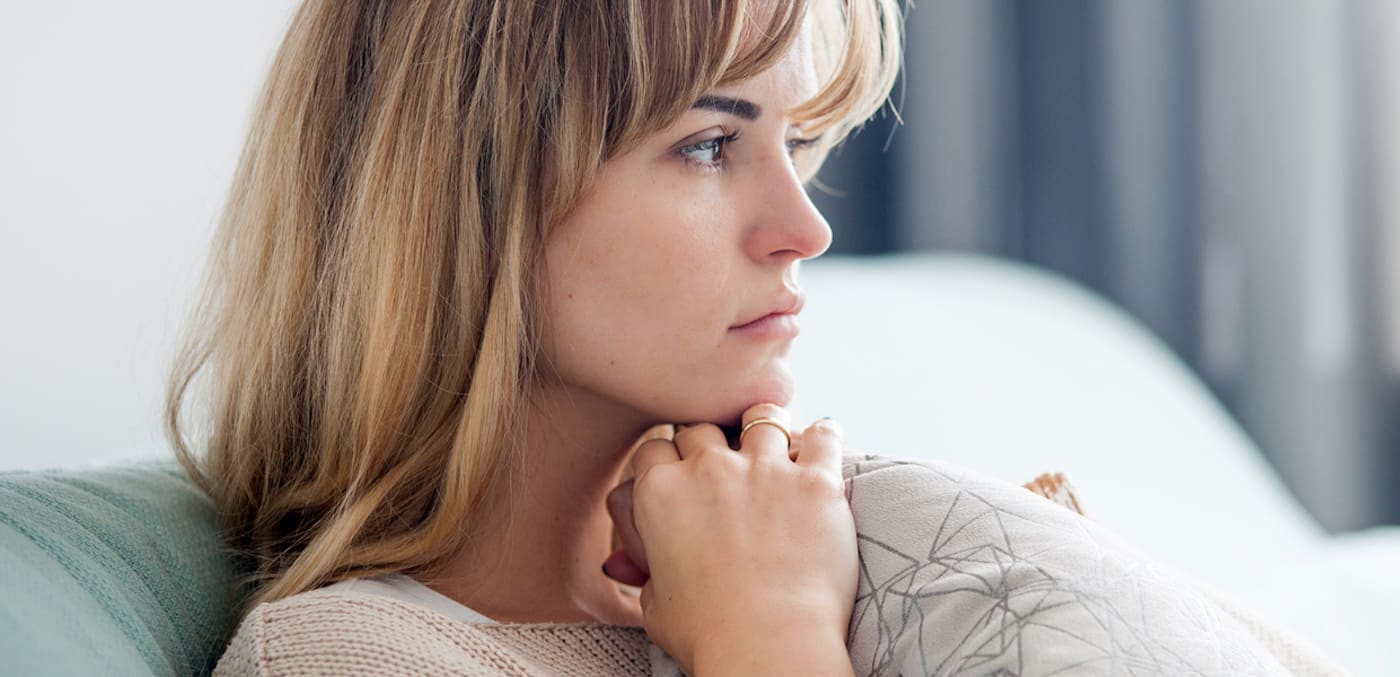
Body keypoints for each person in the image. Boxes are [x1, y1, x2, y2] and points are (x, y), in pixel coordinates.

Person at [167, 0, 901, 674]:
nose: (808, 231)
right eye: (709, 145)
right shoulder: (343, 658)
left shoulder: (831, 555)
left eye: (797, 141)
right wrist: (774, 632)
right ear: (469, 195)